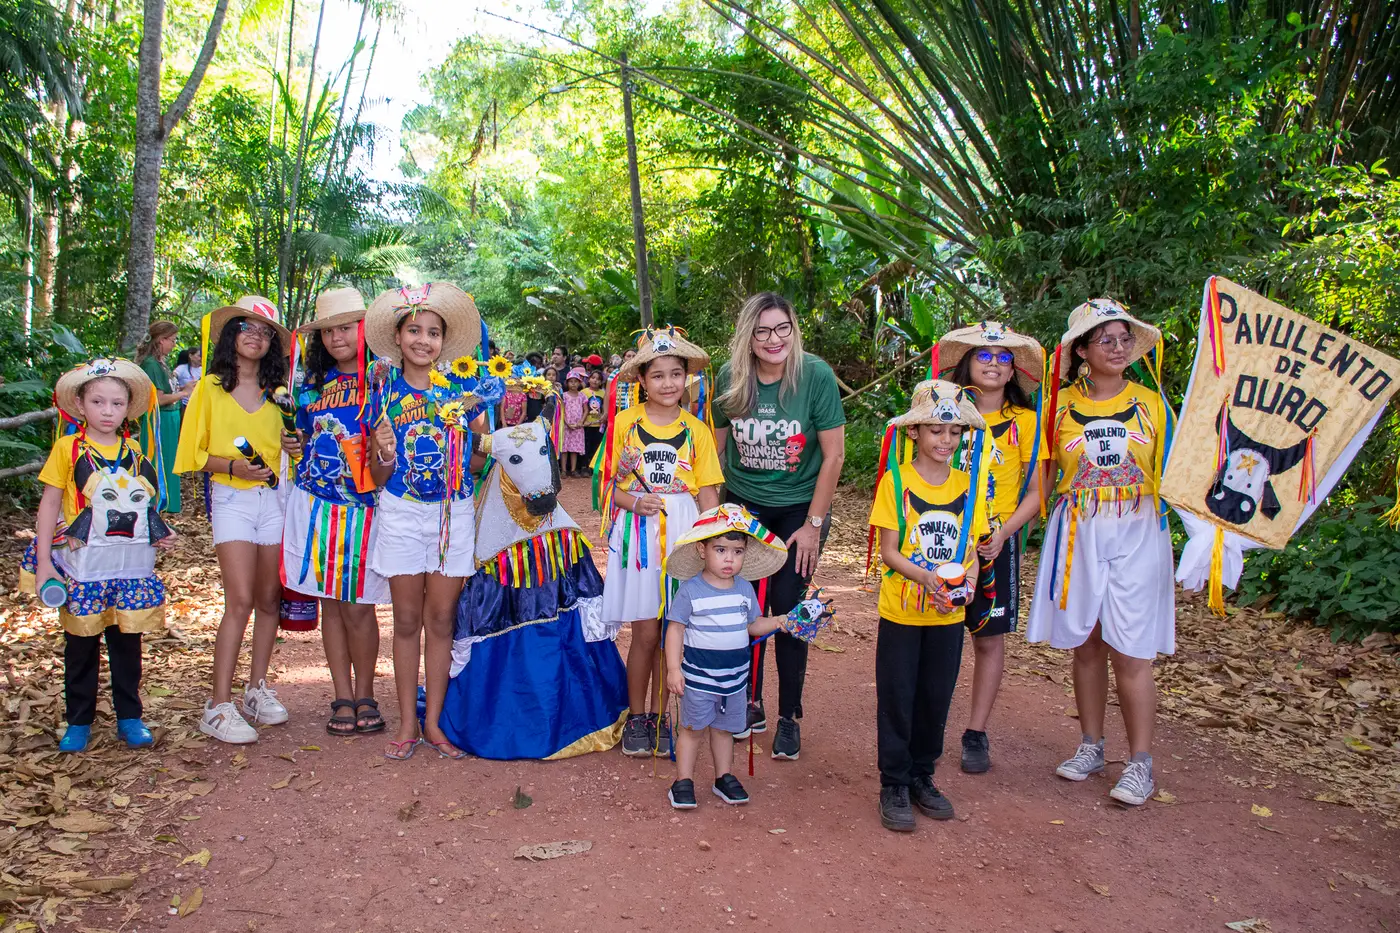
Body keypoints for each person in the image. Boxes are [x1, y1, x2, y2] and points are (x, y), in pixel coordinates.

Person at [1027, 299, 1174, 807]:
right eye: (1104, 340)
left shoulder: (1154, 405)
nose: (1117, 347)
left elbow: (1181, 474)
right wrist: (1003, 529)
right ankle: (1091, 745)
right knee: (1087, 640)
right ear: (1082, 351)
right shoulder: (1059, 406)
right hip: (1077, 533)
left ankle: (1140, 763)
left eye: (1123, 338)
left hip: (1137, 528)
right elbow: (1044, 477)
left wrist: (1210, 535)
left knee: (1132, 647)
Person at [713, 292, 845, 760]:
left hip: (799, 511)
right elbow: (717, 450)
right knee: (742, 605)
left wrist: (813, 524)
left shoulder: (816, 375)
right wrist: (717, 513)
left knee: (789, 609)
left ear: (794, 327)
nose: (774, 340)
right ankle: (751, 702)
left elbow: (833, 455)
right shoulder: (731, 378)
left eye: (783, 328)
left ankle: (790, 715)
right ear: (748, 336)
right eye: (763, 331)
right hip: (745, 507)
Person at [21, 359, 176, 752]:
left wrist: (159, 533)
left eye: (117, 403)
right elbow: (51, 503)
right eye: (99, 402)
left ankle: (130, 715)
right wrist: (43, 563)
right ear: (80, 403)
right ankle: (79, 720)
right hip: (85, 566)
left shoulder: (134, 449)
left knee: (127, 643)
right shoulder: (67, 448)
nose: (108, 411)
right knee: (81, 645)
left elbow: (142, 505)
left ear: (128, 408)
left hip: (128, 566)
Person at [365, 283, 484, 761]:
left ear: (443, 342)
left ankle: (434, 723)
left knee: (441, 620)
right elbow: (376, 475)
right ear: (398, 337)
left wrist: (477, 439)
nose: (424, 340)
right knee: (408, 620)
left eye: (433, 333)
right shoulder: (381, 393)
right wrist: (385, 451)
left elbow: (476, 467)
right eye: (414, 329)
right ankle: (406, 722)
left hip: (452, 515)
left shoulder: (462, 394)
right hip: (400, 513)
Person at [868, 379, 989, 831]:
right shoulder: (895, 483)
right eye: (936, 431)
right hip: (902, 609)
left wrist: (968, 585)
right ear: (915, 432)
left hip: (948, 613)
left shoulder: (969, 485)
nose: (946, 440)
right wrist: (928, 577)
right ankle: (894, 781)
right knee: (898, 694)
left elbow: (972, 551)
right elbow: (890, 552)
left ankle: (923, 775)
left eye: (955, 432)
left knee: (936, 696)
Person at [175, 296, 296, 744]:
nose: (256, 337)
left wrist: (293, 447)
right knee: (240, 598)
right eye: (248, 327)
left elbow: (288, 449)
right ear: (231, 334)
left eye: (266, 333)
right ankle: (217, 704)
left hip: (275, 499)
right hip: (232, 499)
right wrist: (232, 468)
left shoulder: (279, 393)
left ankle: (256, 689)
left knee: (269, 598)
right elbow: (191, 453)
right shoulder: (209, 387)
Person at [597, 326, 722, 758]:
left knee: (676, 628)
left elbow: (708, 492)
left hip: (683, 528)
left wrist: (711, 539)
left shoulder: (697, 430)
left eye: (676, 374)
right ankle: (638, 717)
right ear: (641, 380)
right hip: (638, 533)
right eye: (658, 375)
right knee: (646, 632)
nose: (668, 383)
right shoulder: (625, 424)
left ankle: (664, 716)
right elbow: (607, 489)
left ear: (687, 378)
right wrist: (634, 502)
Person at [282, 288, 391, 736]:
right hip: (316, 506)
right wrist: (294, 443)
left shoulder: (383, 381)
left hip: (365, 507)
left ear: (364, 330)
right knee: (331, 605)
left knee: (360, 607)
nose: (335, 337)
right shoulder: (309, 388)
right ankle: (341, 695)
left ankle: (366, 693)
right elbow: (305, 443)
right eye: (327, 330)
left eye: (345, 327)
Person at [939, 322, 1046, 773]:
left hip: (995, 543)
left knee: (988, 637)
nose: (994, 364)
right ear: (966, 362)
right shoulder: (944, 414)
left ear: (1014, 370)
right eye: (984, 355)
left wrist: (1003, 535)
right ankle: (930, 722)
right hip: (941, 539)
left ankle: (976, 732)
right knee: (938, 634)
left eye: (1004, 358)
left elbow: (1037, 495)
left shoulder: (1026, 422)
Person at [662, 505, 789, 809]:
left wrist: (780, 620)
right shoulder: (691, 591)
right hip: (698, 678)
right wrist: (673, 669)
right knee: (692, 730)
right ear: (702, 550)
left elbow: (753, 627)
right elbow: (675, 630)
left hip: (734, 681)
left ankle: (724, 777)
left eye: (737, 551)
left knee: (724, 730)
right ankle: (682, 781)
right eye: (720, 549)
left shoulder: (745, 589)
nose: (729, 558)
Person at [134, 321, 193, 513]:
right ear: (161, 340)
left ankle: (164, 510)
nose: (175, 344)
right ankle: (155, 508)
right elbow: (157, 399)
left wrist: (185, 388)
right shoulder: (151, 364)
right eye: (173, 340)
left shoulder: (162, 363)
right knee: (161, 463)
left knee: (170, 464)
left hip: (171, 418)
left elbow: (168, 391)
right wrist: (183, 395)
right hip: (161, 421)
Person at [561, 367, 587, 477]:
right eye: (571, 381)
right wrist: (566, 423)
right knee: (564, 449)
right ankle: (563, 470)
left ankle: (573, 469)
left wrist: (581, 421)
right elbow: (561, 411)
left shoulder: (582, 396)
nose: (573, 384)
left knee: (574, 449)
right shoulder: (564, 395)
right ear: (567, 383)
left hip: (578, 426)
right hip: (566, 426)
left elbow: (586, 410)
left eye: (575, 382)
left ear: (579, 383)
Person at [582, 369, 606, 471]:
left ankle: (594, 467)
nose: (595, 381)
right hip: (587, 425)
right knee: (586, 446)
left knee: (596, 447)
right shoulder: (583, 392)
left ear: (601, 382)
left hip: (598, 426)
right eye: (593, 378)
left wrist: (604, 417)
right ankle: (584, 467)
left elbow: (605, 407)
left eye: (598, 379)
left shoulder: (603, 393)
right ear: (589, 379)